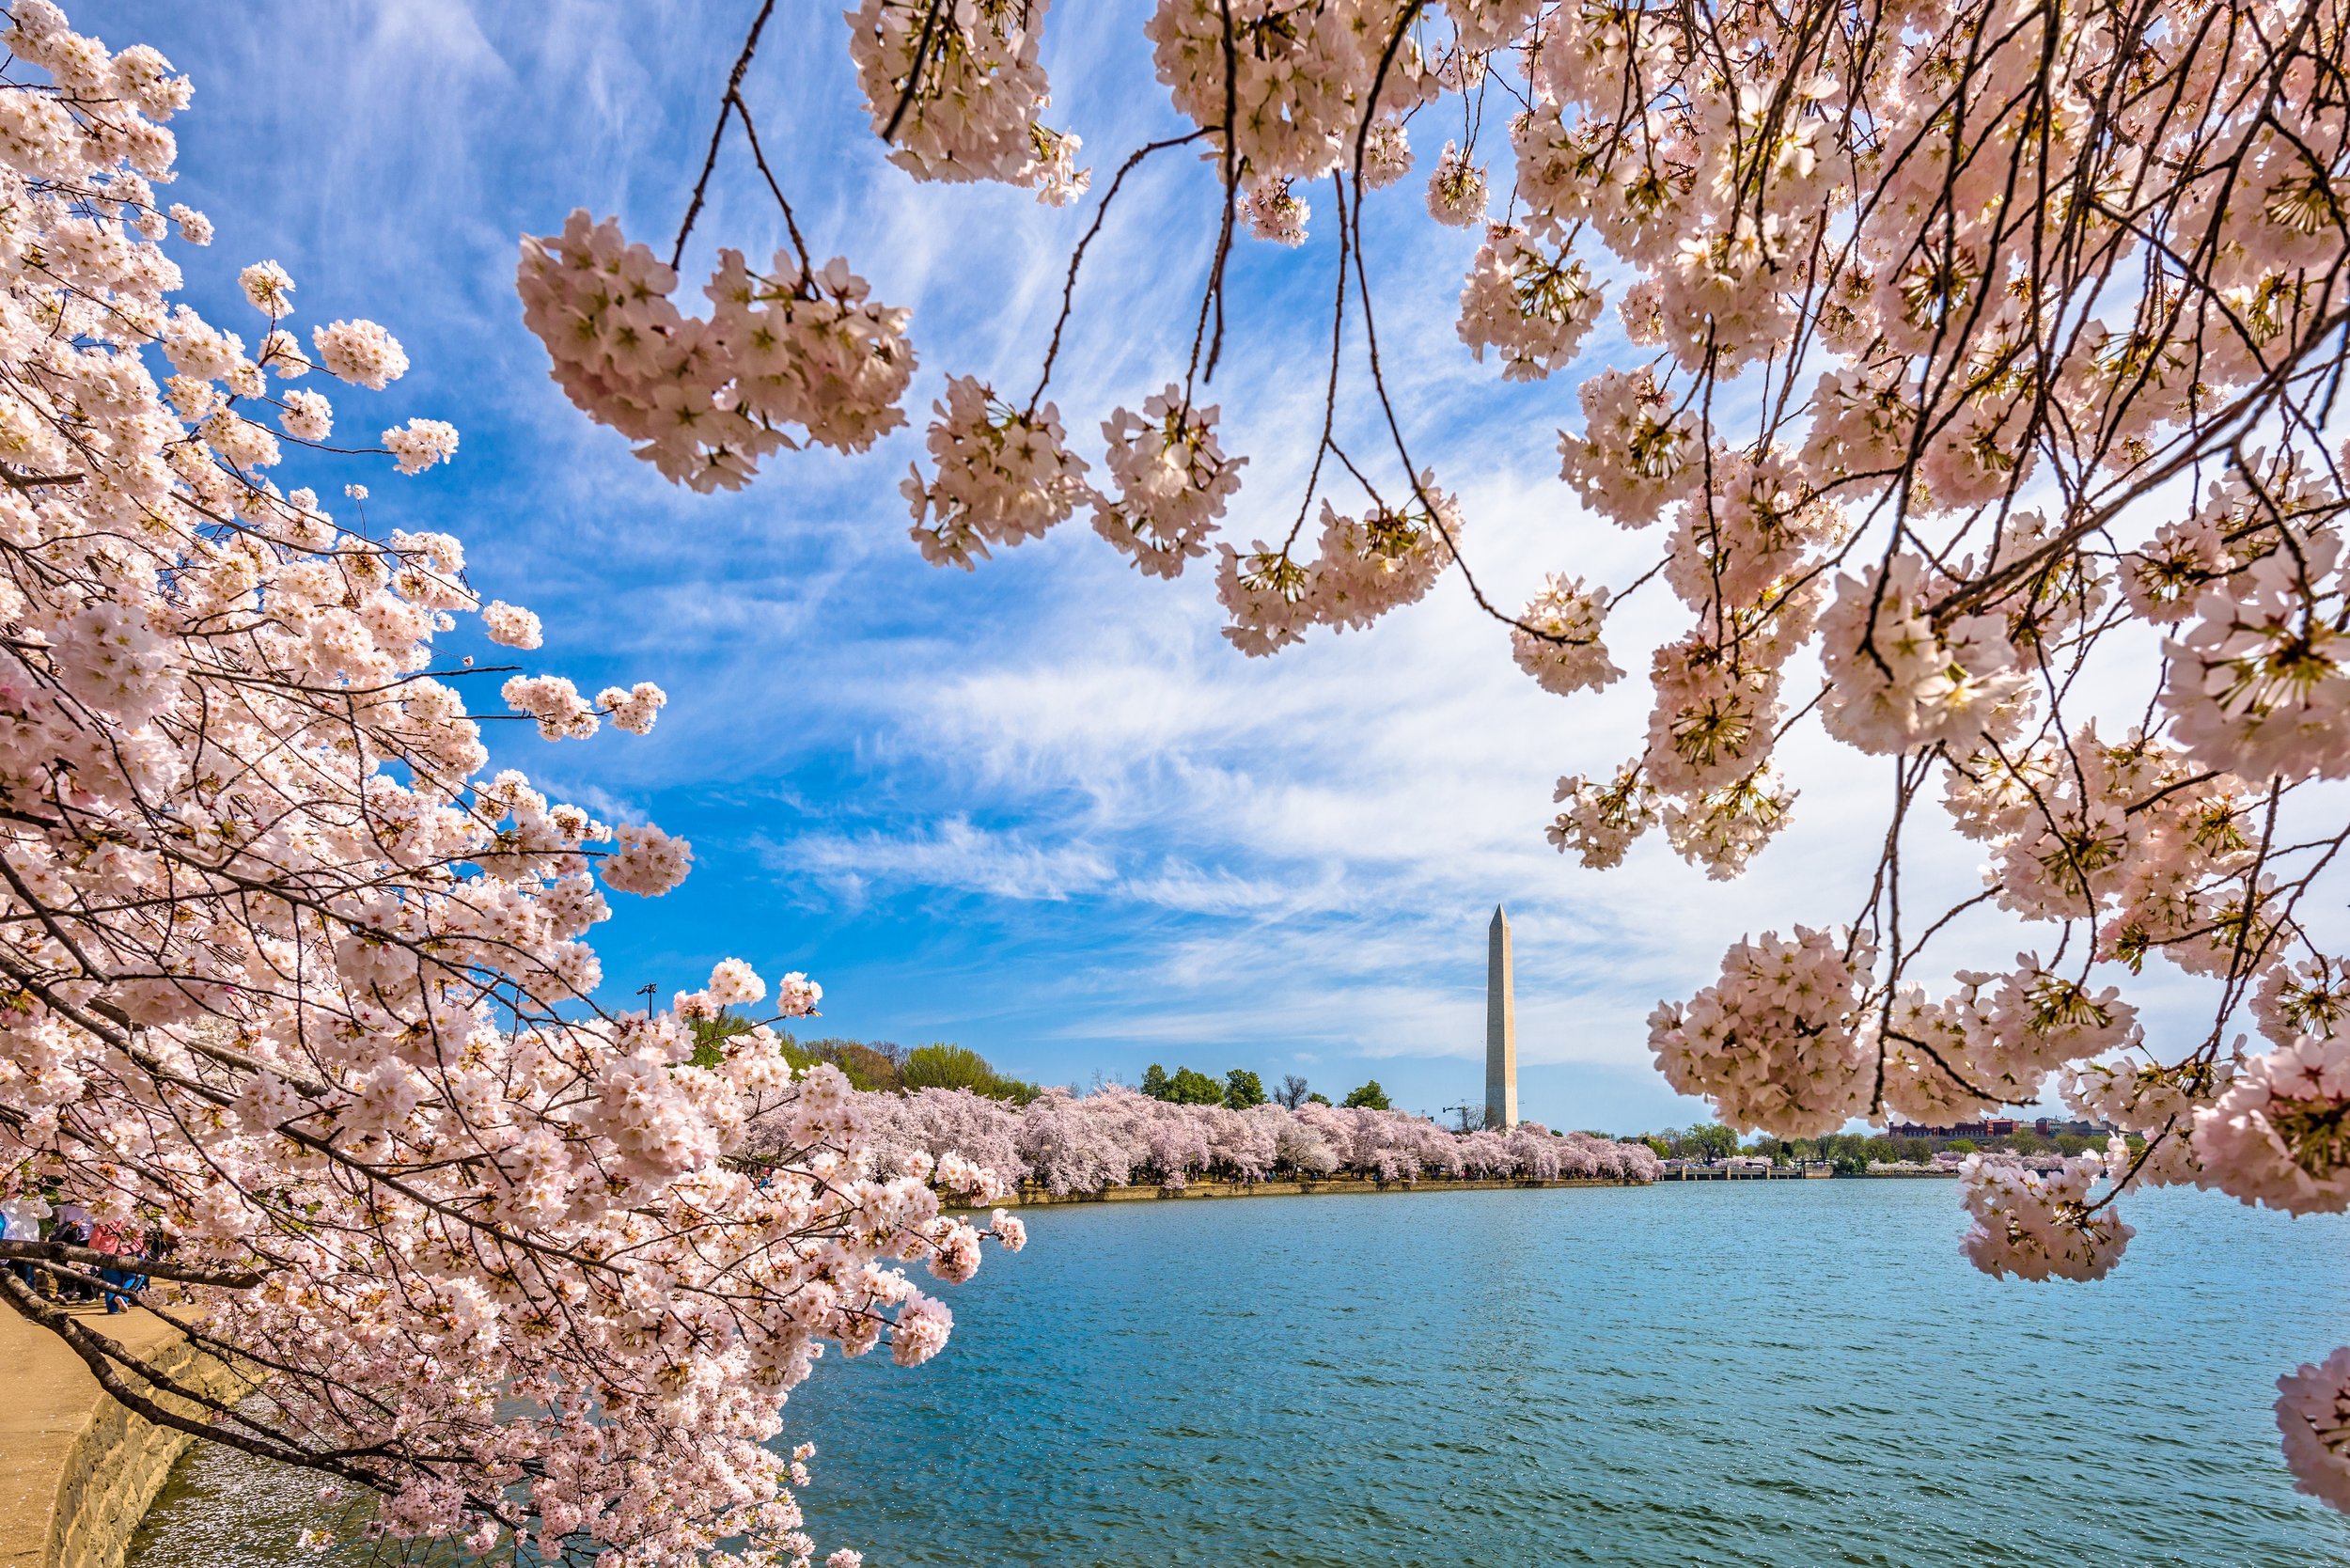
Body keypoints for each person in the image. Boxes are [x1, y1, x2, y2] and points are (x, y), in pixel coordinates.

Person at [87, 1217, 143, 1314]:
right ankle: (122, 1297)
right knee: (135, 1277)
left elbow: (95, 1238)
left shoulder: (104, 1220)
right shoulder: (133, 1218)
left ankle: (112, 1309)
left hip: (107, 1253)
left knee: (111, 1282)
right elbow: (139, 1233)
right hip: (130, 1251)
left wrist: (92, 1251)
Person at [0, 1190, 47, 1296]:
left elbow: (47, 1213)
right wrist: (4, 1199)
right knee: (6, 1276)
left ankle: (31, 1300)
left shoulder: (30, 1199)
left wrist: (38, 1200)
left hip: (27, 1245)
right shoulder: (3, 1200)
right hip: (7, 1245)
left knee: (27, 1276)